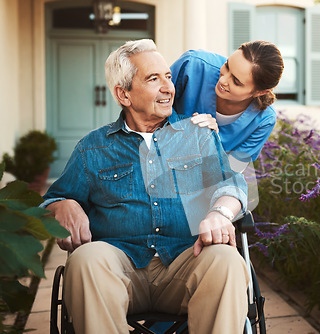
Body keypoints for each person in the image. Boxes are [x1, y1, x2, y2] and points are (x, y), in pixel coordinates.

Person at [41, 39, 250, 334]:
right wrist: (63, 205)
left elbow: (231, 185)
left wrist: (220, 212)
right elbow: (53, 199)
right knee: (85, 259)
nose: (168, 88)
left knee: (227, 260)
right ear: (123, 94)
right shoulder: (93, 148)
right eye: (154, 79)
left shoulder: (197, 135)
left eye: (168, 76)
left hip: (186, 262)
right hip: (118, 267)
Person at [170, 40, 284, 164]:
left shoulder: (264, 121)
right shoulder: (192, 64)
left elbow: (232, 171)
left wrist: (213, 141)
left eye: (236, 81)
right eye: (227, 66)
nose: (223, 80)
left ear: (260, 92)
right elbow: (148, 108)